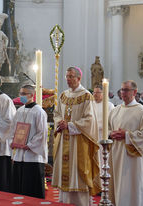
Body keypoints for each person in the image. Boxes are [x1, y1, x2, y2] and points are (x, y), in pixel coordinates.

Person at [52, 67, 101, 206]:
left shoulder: (86, 96)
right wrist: (60, 123)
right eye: (67, 76)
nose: (68, 79)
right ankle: (64, 202)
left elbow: (89, 119)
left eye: (71, 76)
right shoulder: (63, 95)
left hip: (79, 142)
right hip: (64, 141)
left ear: (79, 78)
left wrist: (70, 125)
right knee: (65, 174)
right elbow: (56, 114)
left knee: (78, 174)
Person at [108, 80, 143, 206]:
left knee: (132, 185)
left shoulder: (142, 111)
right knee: (118, 183)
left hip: (133, 159)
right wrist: (110, 134)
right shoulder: (115, 110)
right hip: (117, 154)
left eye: (126, 90)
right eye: (122, 90)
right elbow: (108, 129)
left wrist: (126, 135)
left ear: (134, 92)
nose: (123, 92)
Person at [10, 85, 48, 198]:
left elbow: (42, 133)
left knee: (32, 188)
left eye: (23, 94)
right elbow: (14, 129)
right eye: (20, 93)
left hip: (32, 156)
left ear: (31, 95)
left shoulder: (39, 112)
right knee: (19, 187)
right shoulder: (20, 111)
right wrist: (13, 141)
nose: (20, 96)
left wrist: (30, 145)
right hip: (19, 154)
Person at [93, 84, 114, 169]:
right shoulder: (90, 104)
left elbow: (110, 121)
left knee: (102, 158)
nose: (95, 94)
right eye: (94, 92)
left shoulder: (109, 105)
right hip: (92, 135)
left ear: (103, 93)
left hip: (103, 135)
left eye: (98, 92)